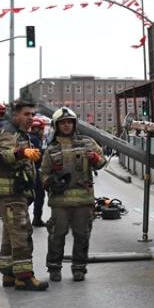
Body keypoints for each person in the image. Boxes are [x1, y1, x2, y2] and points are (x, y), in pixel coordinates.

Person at [40, 108, 107, 282]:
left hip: (83, 200)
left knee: (82, 235)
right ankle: (54, 268)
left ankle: (79, 268)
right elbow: (43, 174)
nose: (66, 125)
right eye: (63, 122)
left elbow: (102, 162)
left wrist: (95, 159)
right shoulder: (51, 149)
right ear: (57, 125)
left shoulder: (87, 143)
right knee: (57, 234)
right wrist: (50, 181)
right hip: (60, 201)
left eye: (69, 122)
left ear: (74, 124)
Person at [0, 100, 47, 291]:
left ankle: (9, 273)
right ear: (15, 115)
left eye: (32, 114)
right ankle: (24, 277)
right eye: (26, 114)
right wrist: (22, 152)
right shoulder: (9, 132)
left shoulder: (19, 133)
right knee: (22, 231)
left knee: (10, 232)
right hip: (10, 191)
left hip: (13, 190)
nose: (31, 118)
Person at [28, 118, 47, 227]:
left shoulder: (29, 137)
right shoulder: (35, 140)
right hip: (35, 170)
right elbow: (38, 155)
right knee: (39, 194)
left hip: (29, 170)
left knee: (31, 194)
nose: (43, 132)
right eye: (42, 129)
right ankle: (37, 219)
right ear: (37, 129)